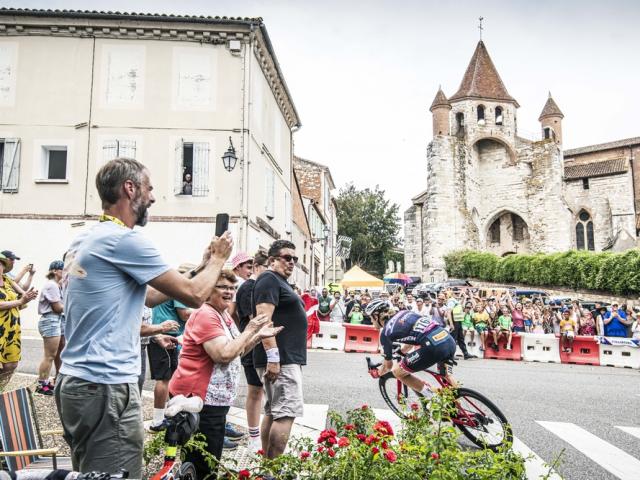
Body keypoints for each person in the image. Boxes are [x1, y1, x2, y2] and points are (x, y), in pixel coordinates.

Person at [55, 157, 234, 478]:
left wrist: (201, 265)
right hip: (105, 386)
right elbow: (193, 294)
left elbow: (150, 294)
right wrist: (219, 260)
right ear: (130, 188)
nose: (152, 197)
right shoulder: (124, 240)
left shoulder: (87, 238)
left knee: (91, 473)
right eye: (149, 188)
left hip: (78, 384)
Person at [169, 270, 281, 478]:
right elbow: (222, 355)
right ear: (208, 289)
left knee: (210, 457)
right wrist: (249, 330)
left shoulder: (221, 314)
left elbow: (237, 351)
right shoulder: (205, 314)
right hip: (199, 397)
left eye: (232, 288)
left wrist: (256, 336)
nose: (229, 292)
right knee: (203, 463)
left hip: (214, 399)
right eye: (223, 287)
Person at [253, 240, 307, 459]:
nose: (292, 262)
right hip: (281, 358)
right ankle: (274, 467)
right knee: (286, 414)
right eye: (287, 258)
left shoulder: (278, 281)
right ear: (272, 260)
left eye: (295, 259)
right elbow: (263, 320)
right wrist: (273, 358)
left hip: (283, 357)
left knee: (273, 412)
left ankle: (268, 464)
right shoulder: (268, 279)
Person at [368, 299, 457, 397]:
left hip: (433, 347)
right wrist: (401, 351)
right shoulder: (404, 312)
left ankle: (434, 397)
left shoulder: (386, 332)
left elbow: (387, 366)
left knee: (397, 372)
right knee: (447, 377)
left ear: (376, 316)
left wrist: (378, 373)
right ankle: (458, 406)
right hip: (447, 339)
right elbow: (411, 342)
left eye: (371, 318)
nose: (371, 321)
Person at [235, 250, 269, 452]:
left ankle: (257, 434)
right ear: (259, 267)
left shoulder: (259, 285)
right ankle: (254, 436)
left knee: (260, 391)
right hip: (252, 345)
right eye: (268, 267)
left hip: (261, 344)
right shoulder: (249, 287)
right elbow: (250, 320)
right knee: (255, 391)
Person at [147, 290, 191, 431]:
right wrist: (203, 310)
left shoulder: (164, 289)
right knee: (165, 379)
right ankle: (158, 421)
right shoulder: (179, 290)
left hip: (159, 333)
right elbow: (184, 314)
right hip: (168, 335)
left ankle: (163, 416)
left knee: (166, 378)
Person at [0, 253, 38, 390]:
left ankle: (1, 390)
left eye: (1, 264)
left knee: (11, 364)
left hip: (11, 329)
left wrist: (28, 296)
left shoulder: (8, 281)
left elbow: (22, 294)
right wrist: (21, 300)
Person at [36, 260, 65, 395]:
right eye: (62, 269)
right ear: (54, 271)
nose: (65, 272)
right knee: (50, 355)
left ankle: (57, 380)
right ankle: (42, 385)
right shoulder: (52, 285)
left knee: (59, 352)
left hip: (56, 320)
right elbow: (58, 308)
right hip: (50, 319)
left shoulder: (58, 285)